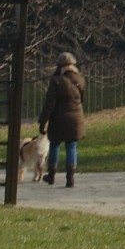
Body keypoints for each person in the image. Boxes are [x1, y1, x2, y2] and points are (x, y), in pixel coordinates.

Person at [37, 54, 85, 187]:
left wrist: (42, 122)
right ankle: (70, 178)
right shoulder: (80, 80)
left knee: (54, 146)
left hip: (58, 120)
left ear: (60, 67)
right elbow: (82, 99)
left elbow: (49, 104)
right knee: (72, 147)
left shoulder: (56, 81)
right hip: (76, 120)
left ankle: (51, 175)